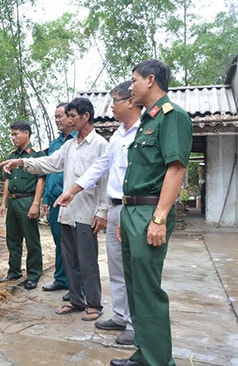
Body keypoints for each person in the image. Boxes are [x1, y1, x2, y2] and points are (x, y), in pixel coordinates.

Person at [109, 60, 192, 366]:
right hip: (133, 211)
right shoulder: (147, 120)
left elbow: (176, 169)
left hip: (149, 212)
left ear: (151, 80)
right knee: (135, 288)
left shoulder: (173, 117)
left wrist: (159, 218)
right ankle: (145, 354)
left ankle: (159, 362)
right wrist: (126, 216)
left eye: (134, 80)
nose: (130, 87)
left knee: (148, 290)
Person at [0, 98, 108, 321]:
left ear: (86, 116)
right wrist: (21, 163)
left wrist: (102, 211)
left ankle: (94, 303)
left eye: (73, 116)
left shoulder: (100, 145)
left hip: (87, 211)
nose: (69, 120)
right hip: (66, 210)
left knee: (87, 260)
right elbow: (49, 163)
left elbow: (105, 180)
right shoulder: (69, 145)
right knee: (69, 259)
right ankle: (76, 300)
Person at [55, 81, 141, 345]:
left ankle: (130, 322)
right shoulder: (116, 136)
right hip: (91, 208)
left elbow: (104, 178)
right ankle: (119, 316)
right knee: (113, 268)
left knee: (126, 269)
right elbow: (100, 170)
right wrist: (73, 189)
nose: (111, 106)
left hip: (127, 208)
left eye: (115, 101)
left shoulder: (132, 134)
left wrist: (101, 210)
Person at [0, 121, 46, 290]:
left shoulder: (36, 155)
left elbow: (41, 180)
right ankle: (14, 271)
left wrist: (35, 204)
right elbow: (7, 180)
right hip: (13, 201)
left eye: (16, 134)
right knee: (12, 238)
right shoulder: (12, 156)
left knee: (31, 239)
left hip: (28, 200)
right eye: (11, 134)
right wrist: (3, 202)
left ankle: (33, 274)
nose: (13, 138)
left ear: (26, 133)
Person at [41, 103, 76, 302]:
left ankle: (76, 283)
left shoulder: (76, 141)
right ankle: (61, 278)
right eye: (55, 117)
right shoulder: (55, 144)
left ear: (71, 118)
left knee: (73, 242)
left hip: (71, 199)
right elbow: (48, 171)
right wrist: (45, 198)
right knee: (58, 241)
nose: (57, 120)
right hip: (54, 200)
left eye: (60, 116)